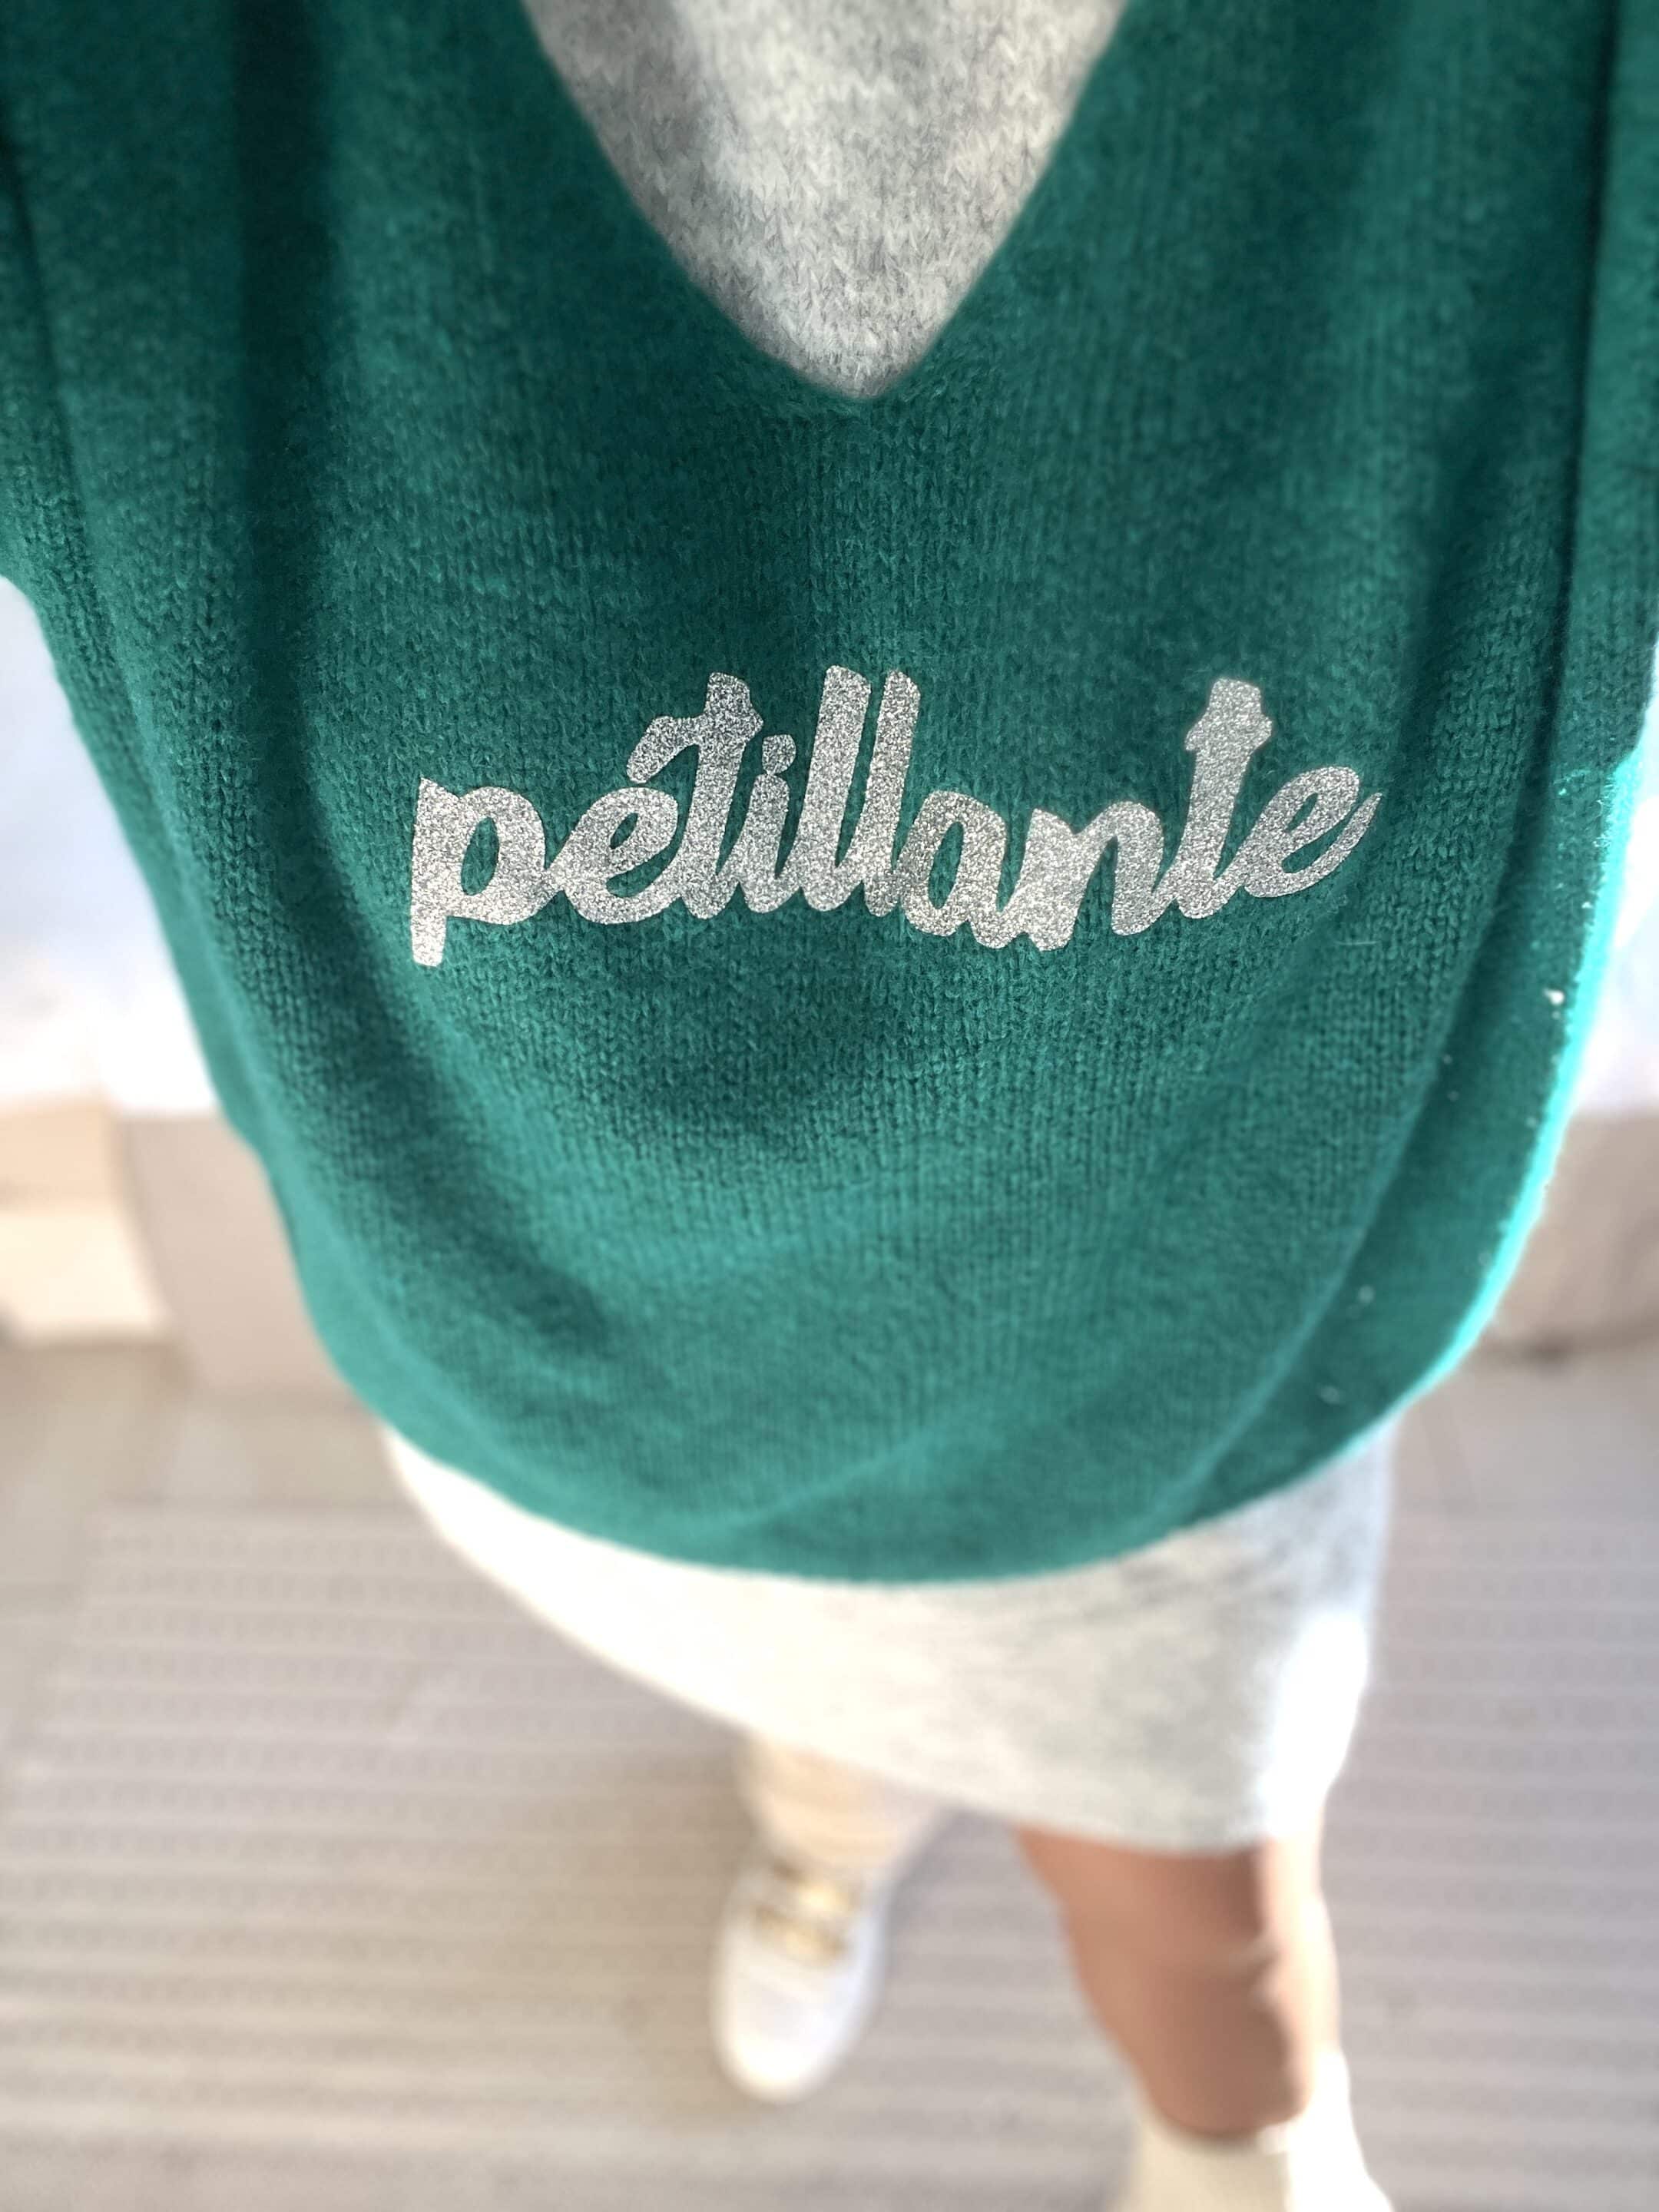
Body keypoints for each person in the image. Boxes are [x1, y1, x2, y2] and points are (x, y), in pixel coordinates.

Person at [2, 5, 1654, 2207]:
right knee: (805, 1700)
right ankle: (830, 1821)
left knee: (1215, 1948)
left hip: (1159, 1414)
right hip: (580, 1381)